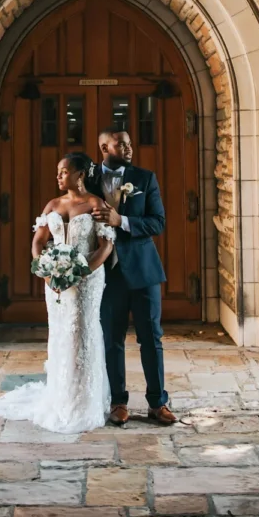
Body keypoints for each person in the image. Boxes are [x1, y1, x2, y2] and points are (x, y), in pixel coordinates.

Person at [0, 150, 114, 433]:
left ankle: (84, 402)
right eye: (58, 172)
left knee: (82, 334)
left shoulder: (96, 204)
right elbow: (38, 242)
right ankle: (61, 398)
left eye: (63, 171)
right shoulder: (53, 205)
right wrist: (46, 272)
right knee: (61, 334)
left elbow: (106, 245)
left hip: (87, 280)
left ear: (80, 174)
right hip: (55, 282)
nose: (58, 176)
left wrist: (80, 272)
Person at [88, 129, 176, 426]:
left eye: (129, 143)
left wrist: (121, 220)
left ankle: (157, 403)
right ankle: (117, 402)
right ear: (104, 147)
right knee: (112, 340)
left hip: (143, 271)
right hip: (105, 274)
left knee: (151, 338)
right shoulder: (87, 179)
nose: (128, 148)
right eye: (120, 144)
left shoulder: (144, 178)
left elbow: (158, 222)